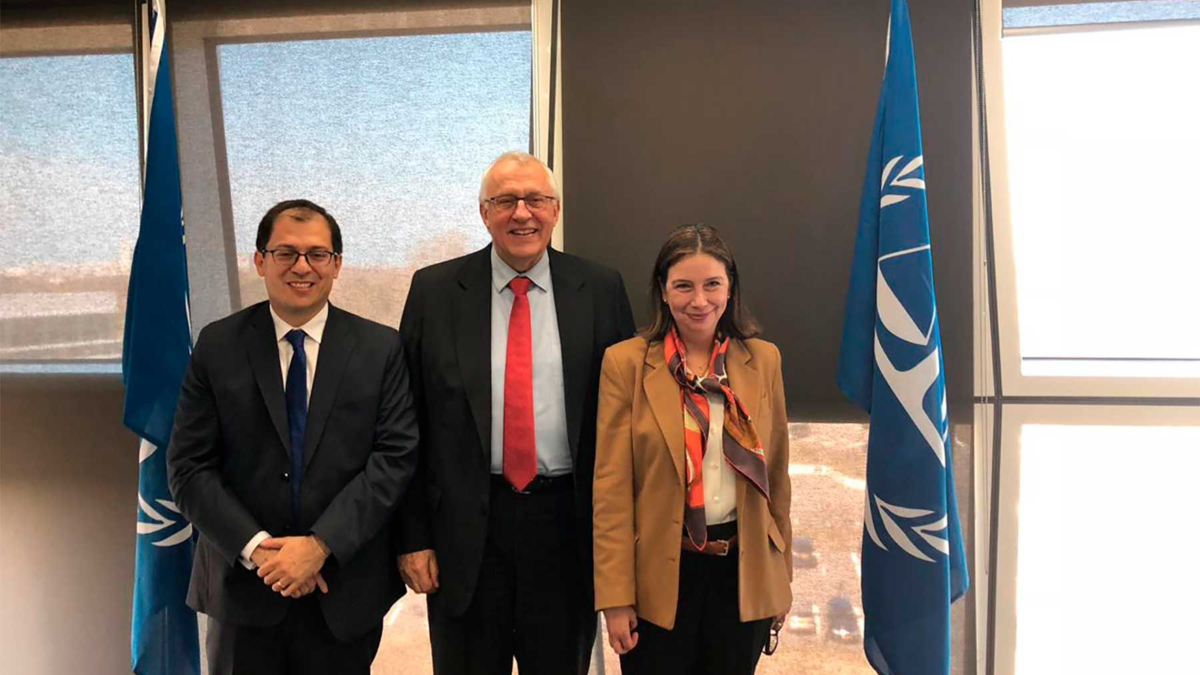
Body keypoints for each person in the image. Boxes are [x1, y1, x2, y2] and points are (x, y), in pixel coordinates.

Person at [394, 151, 636, 675]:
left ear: (556, 210)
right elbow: (406, 424)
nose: (522, 213)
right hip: (464, 535)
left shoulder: (601, 289)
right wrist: (413, 538)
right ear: (484, 212)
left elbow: (626, 424)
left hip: (566, 528)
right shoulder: (435, 291)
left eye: (536, 200)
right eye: (505, 201)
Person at [167, 199, 420, 675]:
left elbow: (394, 459)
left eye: (317, 254)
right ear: (259, 261)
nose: (302, 267)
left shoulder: (381, 348)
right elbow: (189, 467)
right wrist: (261, 550)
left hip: (343, 592)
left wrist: (319, 546)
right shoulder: (217, 346)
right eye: (285, 253)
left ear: (337, 264)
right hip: (244, 591)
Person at [593, 224, 792, 675]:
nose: (699, 300)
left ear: (730, 289)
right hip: (658, 580)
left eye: (712, 285)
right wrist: (615, 598)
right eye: (683, 286)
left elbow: (777, 479)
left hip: (744, 575)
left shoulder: (764, 360)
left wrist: (780, 577)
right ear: (663, 292)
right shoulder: (625, 364)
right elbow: (611, 492)